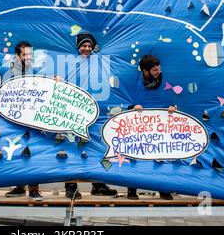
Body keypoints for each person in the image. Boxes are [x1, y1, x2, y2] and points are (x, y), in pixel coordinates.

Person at [64, 33, 118, 200]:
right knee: (71, 148)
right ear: (77, 47)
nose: (86, 49)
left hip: (95, 112)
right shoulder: (70, 64)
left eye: (89, 46)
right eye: (83, 46)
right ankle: (71, 186)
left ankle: (98, 184)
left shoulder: (97, 62)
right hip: (73, 112)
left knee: (96, 147)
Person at [0, 41, 43, 201]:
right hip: (11, 120)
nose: (28, 58)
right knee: (14, 149)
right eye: (25, 55)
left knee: (32, 152)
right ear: (17, 56)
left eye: (30, 55)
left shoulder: (36, 73)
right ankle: (19, 186)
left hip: (31, 120)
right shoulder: (4, 72)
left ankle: (34, 189)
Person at [126, 55, 176, 200]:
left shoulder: (164, 81)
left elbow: (173, 98)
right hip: (139, 124)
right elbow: (125, 98)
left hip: (159, 126)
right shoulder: (134, 81)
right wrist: (132, 106)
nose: (158, 71)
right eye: (154, 70)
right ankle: (132, 189)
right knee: (135, 154)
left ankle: (162, 188)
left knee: (159, 156)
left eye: (158, 68)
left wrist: (172, 107)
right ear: (145, 72)